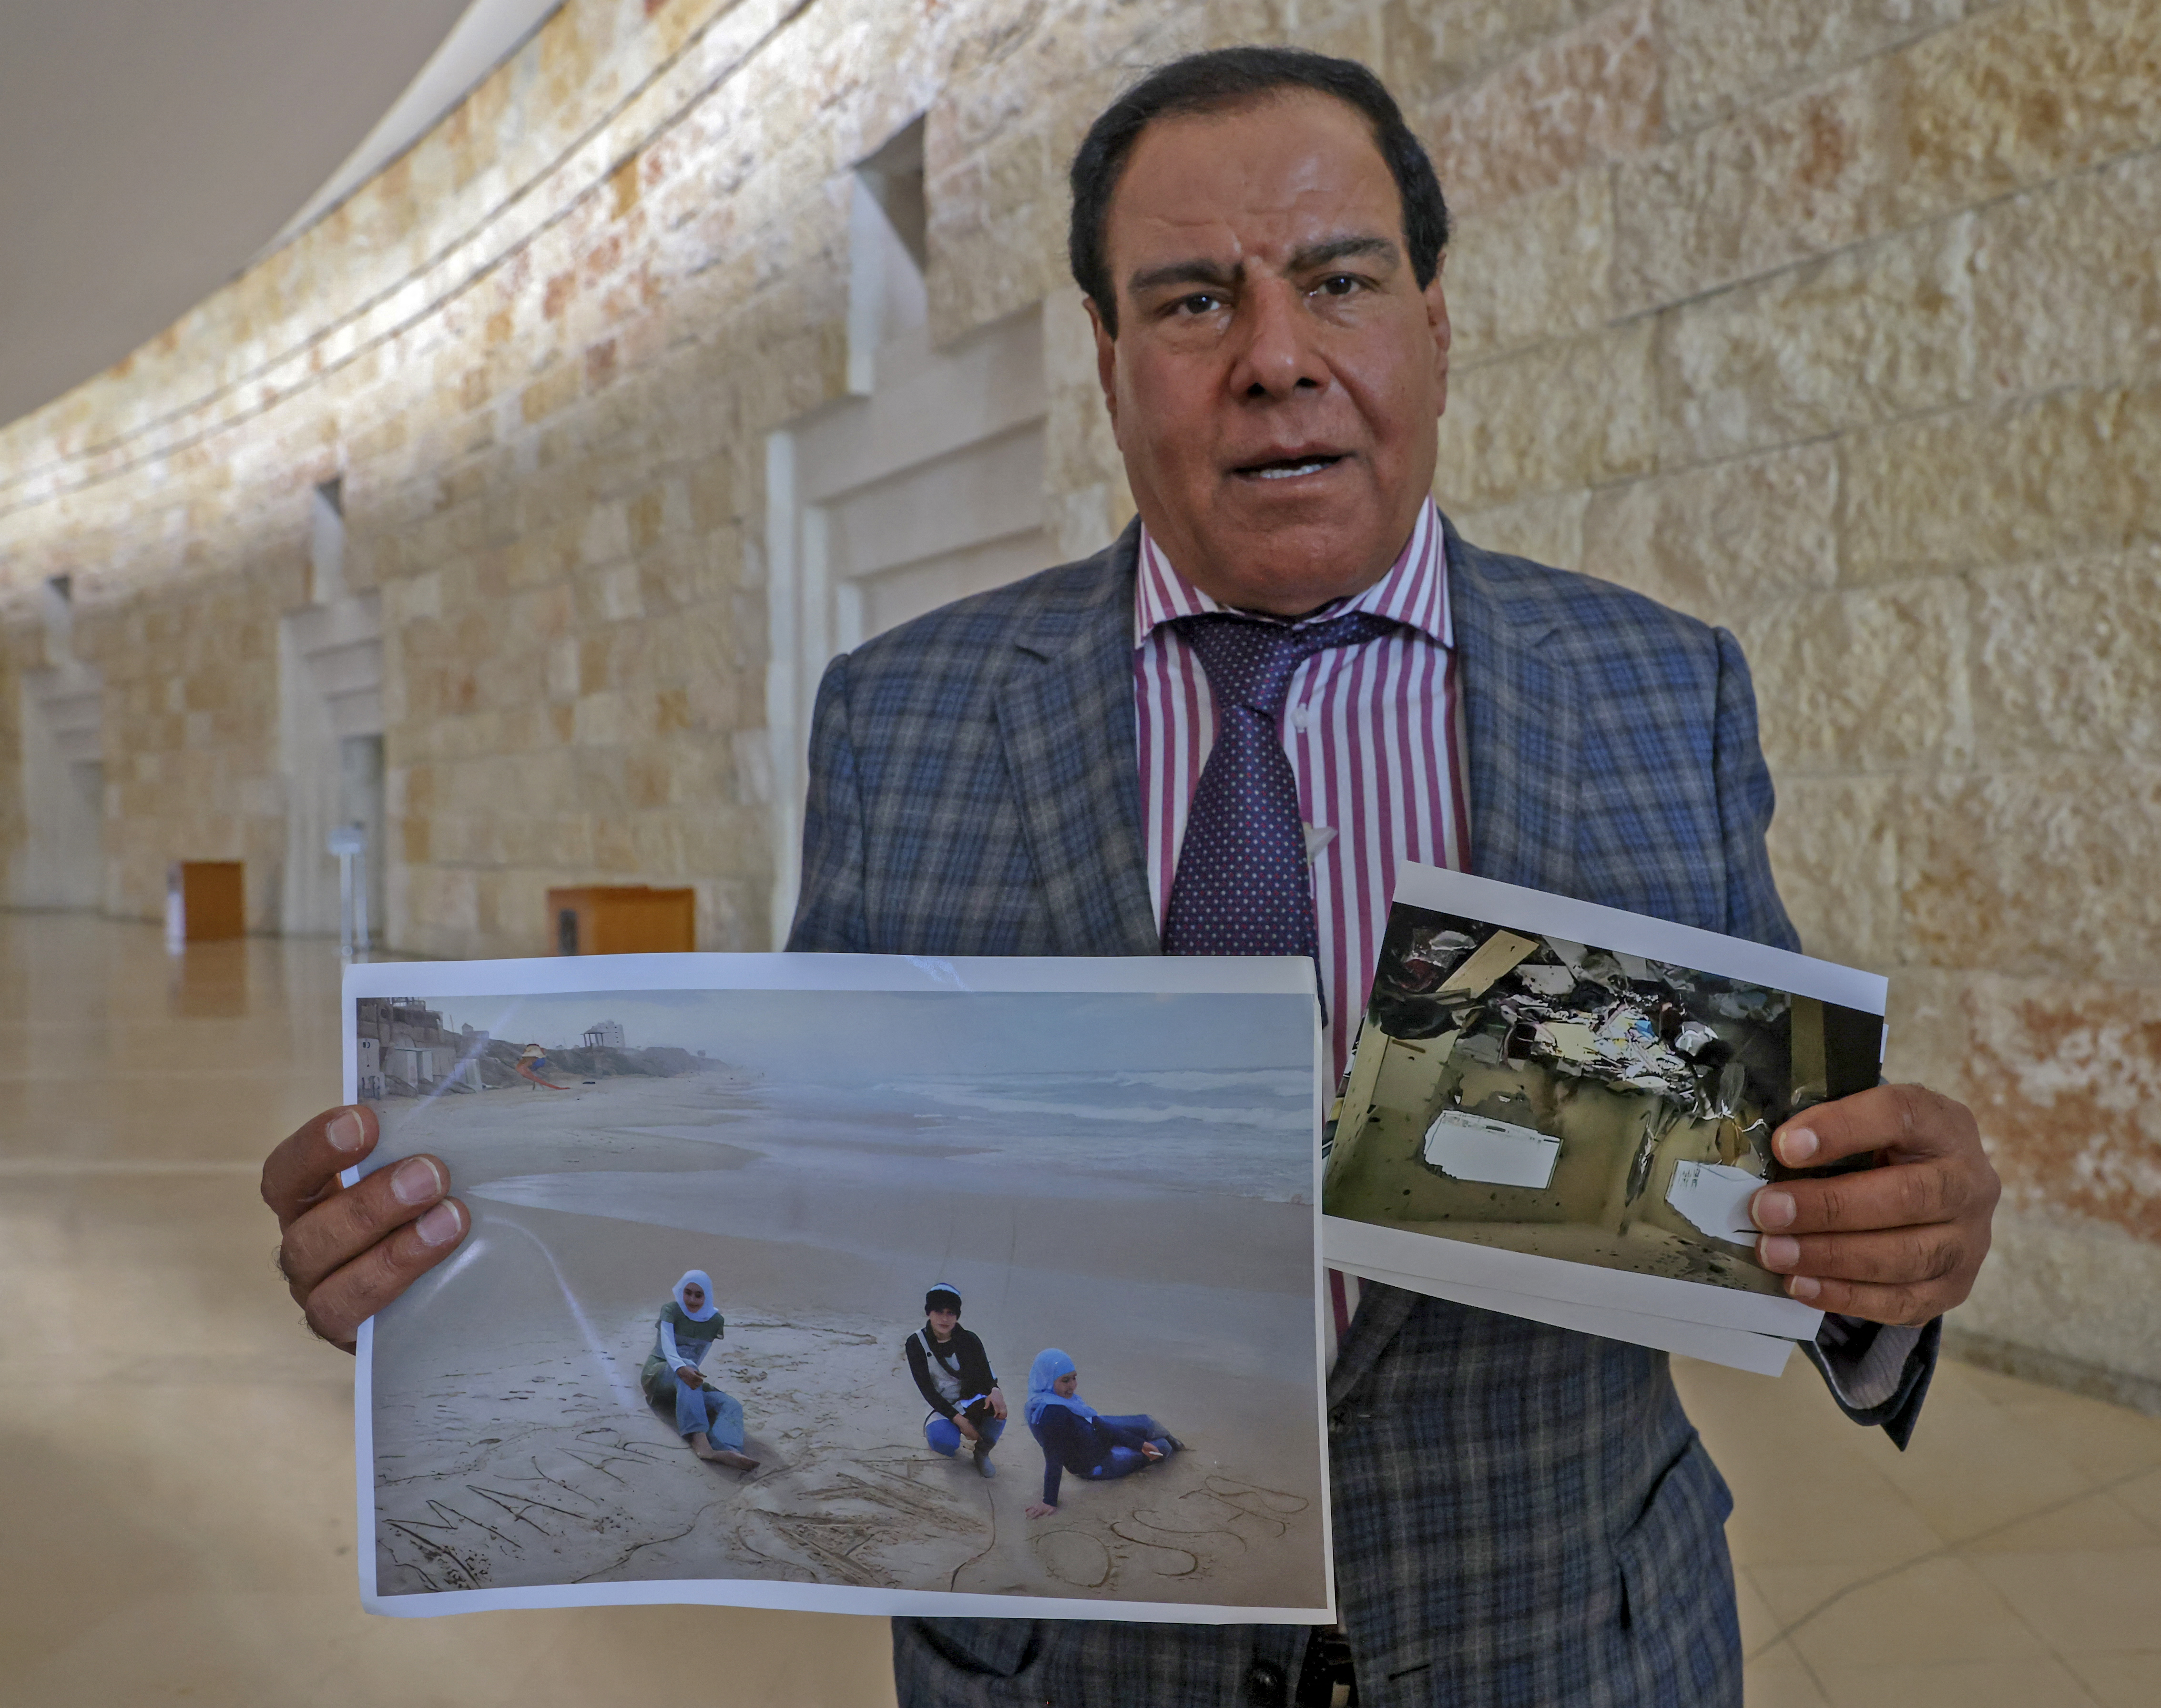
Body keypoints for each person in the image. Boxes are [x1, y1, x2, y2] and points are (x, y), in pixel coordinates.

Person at [262, 44, 2002, 1707]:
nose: (1276, 357)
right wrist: (459, 1285)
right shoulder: (904, 716)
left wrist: (1883, 1250)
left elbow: (1769, 1172)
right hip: (1070, 1662)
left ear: (1434, 326)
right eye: (1192, 302)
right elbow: (808, 1211)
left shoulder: (1656, 687)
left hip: (1565, 1642)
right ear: (1108, 362)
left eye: (1339, 281)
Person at [1020, 1349, 1181, 1519]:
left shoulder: (1057, 1400)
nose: (1073, 1386)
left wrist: (1140, 1444)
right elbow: (1054, 1457)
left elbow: (1098, 1425)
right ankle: (1174, 1445)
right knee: (1162, 1446)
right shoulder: (1050, 1416)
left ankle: (1176, 1444)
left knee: (1148, 1423)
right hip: (1098, 1463)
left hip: (1094, 1434)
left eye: (1074, 1378)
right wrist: (1049, 1500)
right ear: (1046, 1380)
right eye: (1065, 1381)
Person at [642, 1269, 757, 1471]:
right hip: (658, 1376)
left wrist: (690, 1379)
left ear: (707, 1296)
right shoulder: (671, 1310)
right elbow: (668, 1347)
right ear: (681, 1291)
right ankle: (701, 1443)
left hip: (686, 1382)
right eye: (687, 1293)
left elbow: (700, 1356)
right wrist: (682, 1368)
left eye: (699, 1295)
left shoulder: (715, 1321)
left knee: (730, 1404)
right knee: (689, 1366)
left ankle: (728, 1448)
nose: (692, 1300)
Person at [907, 1282, 1009, 1478]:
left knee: (998, 1411)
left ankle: (982, 1452)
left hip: (968, 1398)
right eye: (939, 1311)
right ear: (929, 1313)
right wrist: (962, 1423)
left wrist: (996, 1391)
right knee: (944, 1442)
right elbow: (928, 1391)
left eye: (951, 1313)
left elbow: (986, 1375)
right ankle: (941, 1434)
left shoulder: (970, 1339)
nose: (945, 1319)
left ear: (957, 1316)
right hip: (940, 1404)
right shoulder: (916, 1343)